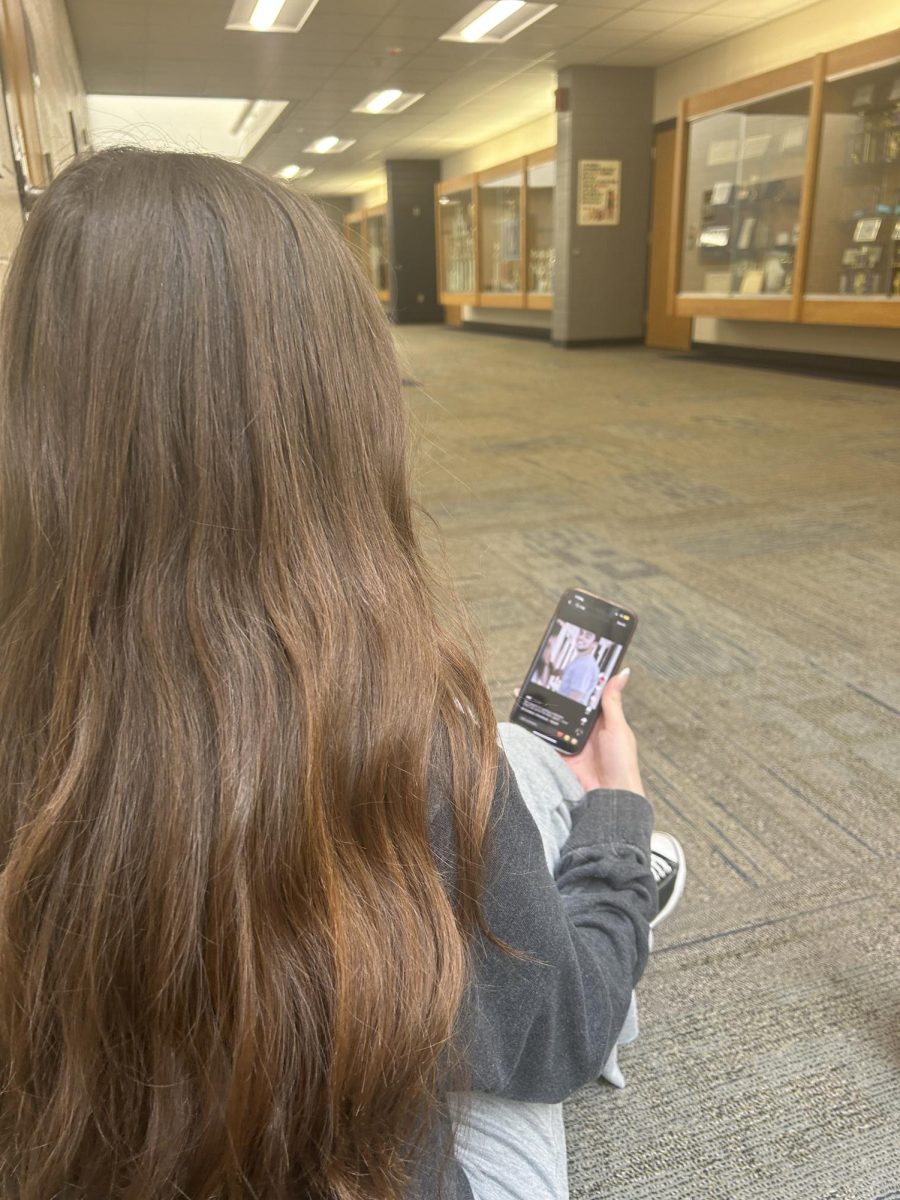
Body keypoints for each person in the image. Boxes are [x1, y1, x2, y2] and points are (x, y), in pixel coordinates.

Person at [0, 148, 682, 1200]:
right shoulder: (396, 736)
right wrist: (622, 818)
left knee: (511, 765)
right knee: (533, 802)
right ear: (335, 411)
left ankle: (575, 843)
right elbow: (555, 1038)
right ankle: (613, 859)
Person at [558, 627, 601, 705]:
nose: (581, 637)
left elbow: (574, 698)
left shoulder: (585, 665)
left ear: (594, 644)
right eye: (581, 633)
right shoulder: (581, 660)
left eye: (587, 636)